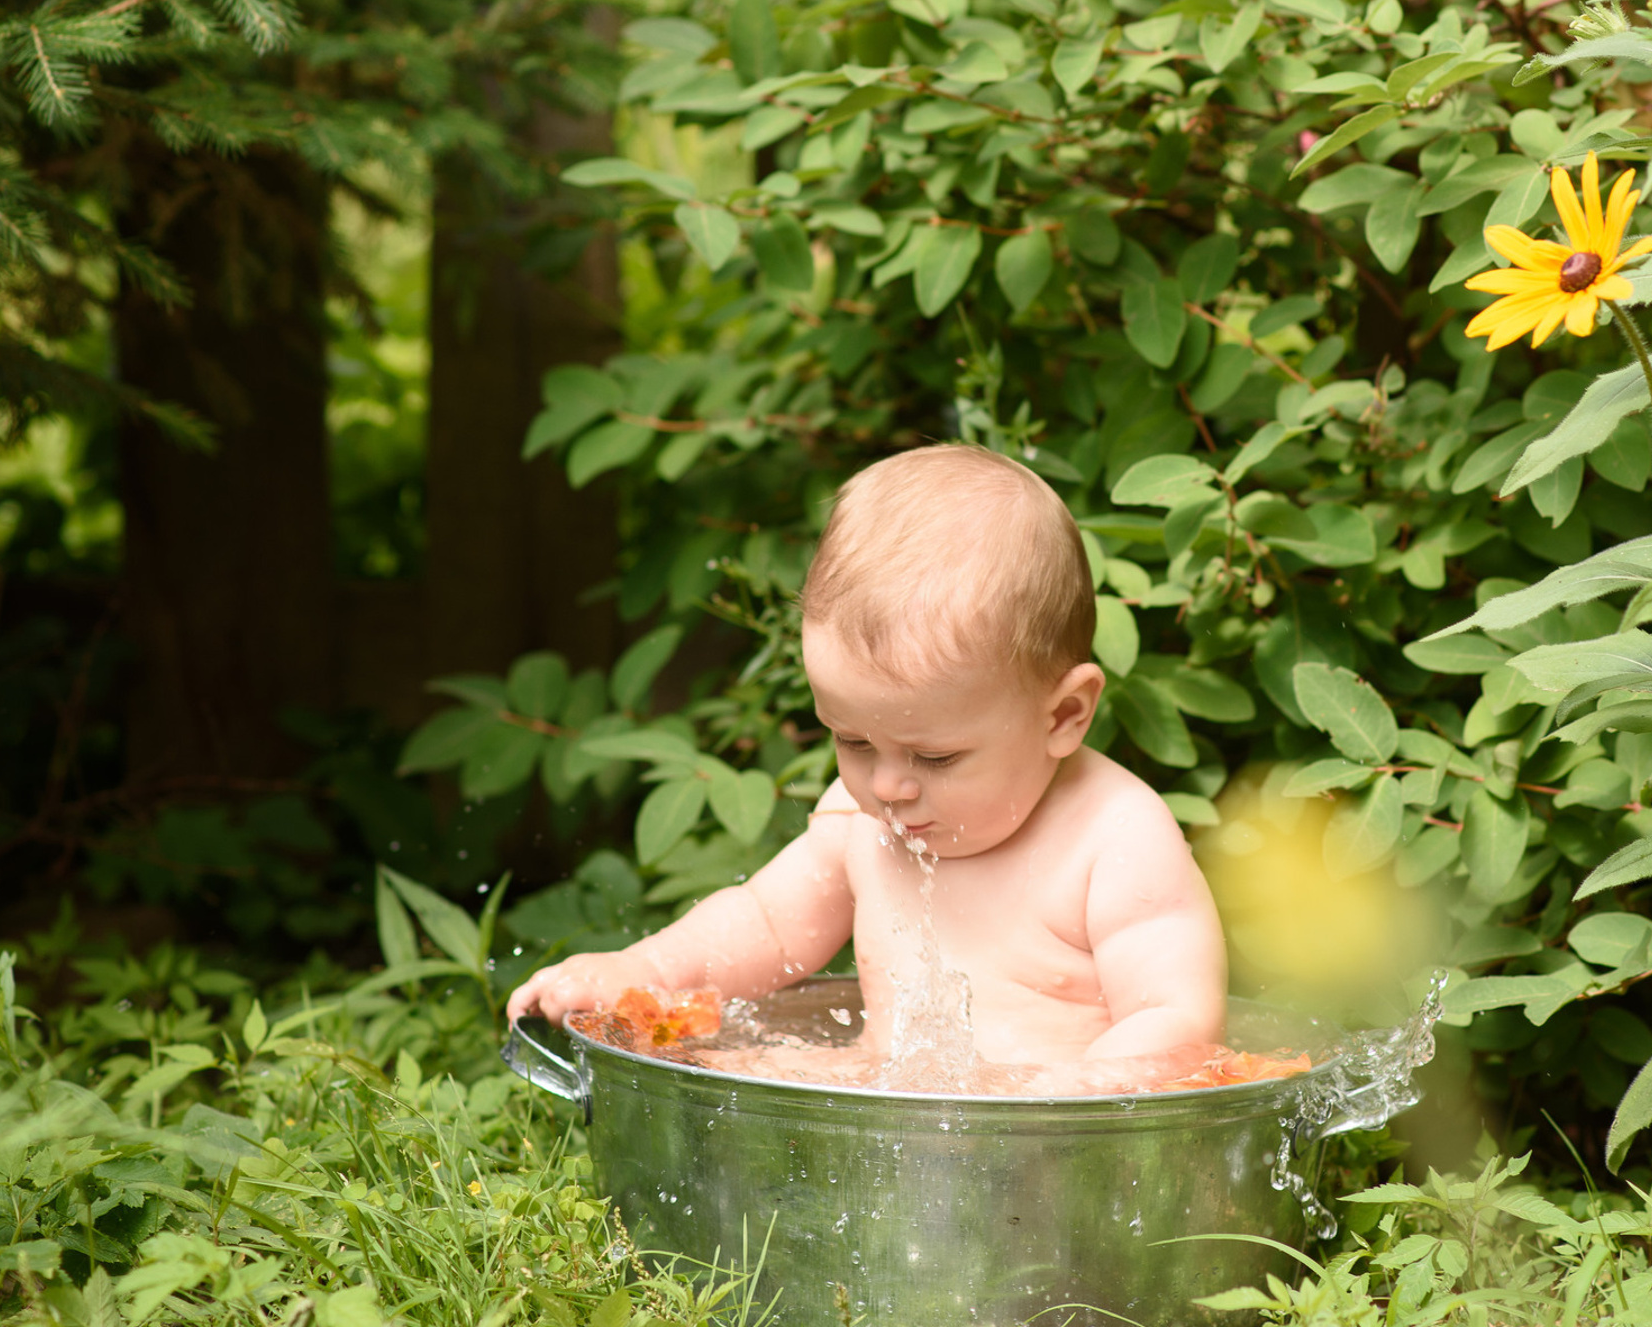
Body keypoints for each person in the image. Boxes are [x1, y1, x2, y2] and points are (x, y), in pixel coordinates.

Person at [506, 443, 1227, 1074]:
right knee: (757, 1074)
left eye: (936, 757)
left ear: (1064, 714)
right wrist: (643, 973)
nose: (886, 785)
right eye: (852, 741)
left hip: (1047, 1154)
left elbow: (1176, 1021)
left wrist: (1064, 1100)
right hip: (891, 1119)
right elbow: (765, 925)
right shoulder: (861, 817)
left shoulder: (1115, 840)